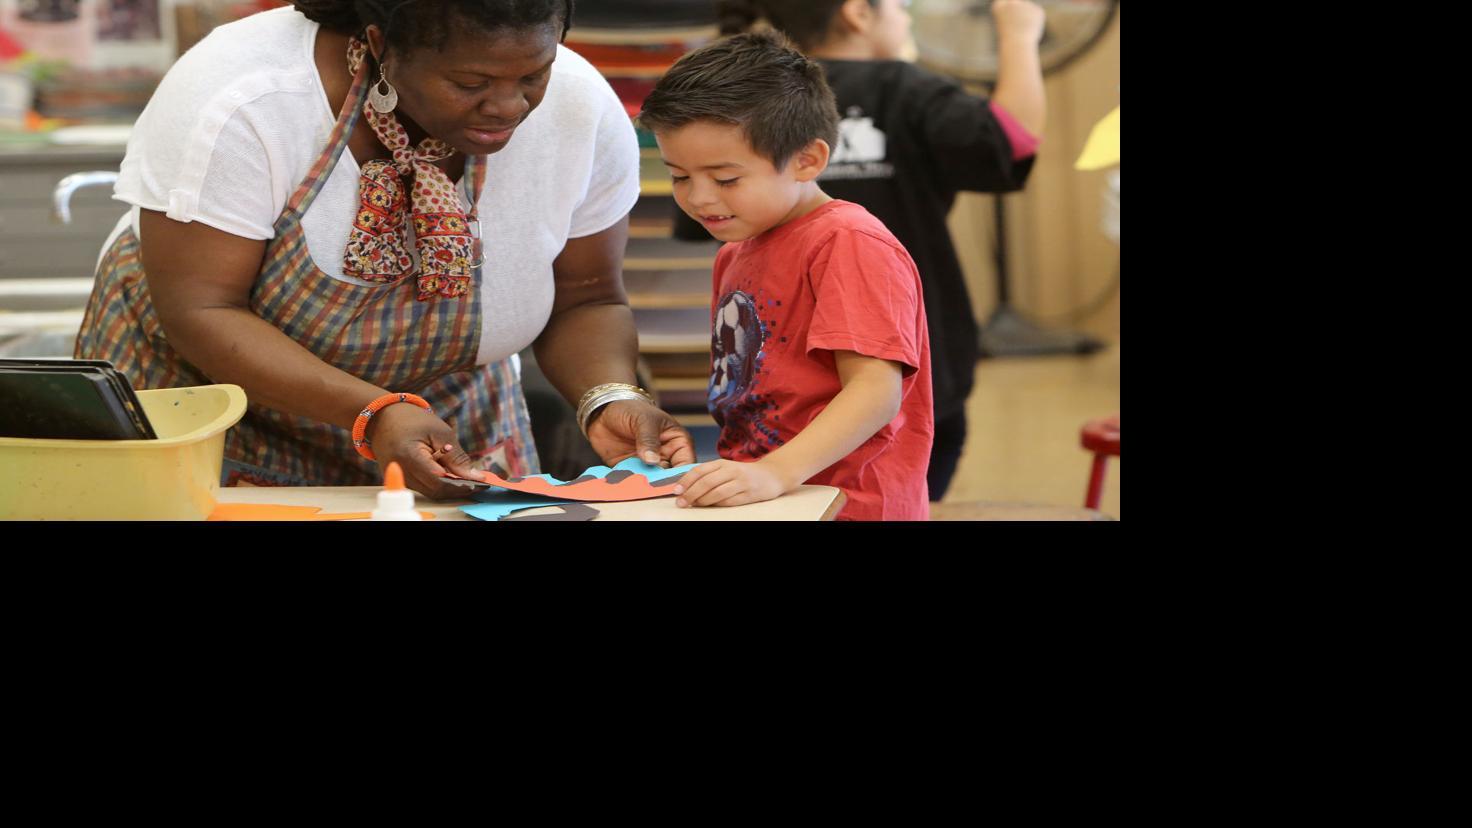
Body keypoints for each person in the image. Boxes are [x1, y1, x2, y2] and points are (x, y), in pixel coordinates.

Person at [75, 0, 694, 498]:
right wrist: (375, 411)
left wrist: (607, 395)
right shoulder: (246, 100)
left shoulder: (579, 110)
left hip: (442, 420)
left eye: (533, 75)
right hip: (213, 413)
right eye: (470, 82)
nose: (509, 105)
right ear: (380, 44)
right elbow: (203, 311)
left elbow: (584, 297)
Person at [713, 0, 1045, 500]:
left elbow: (876, 393)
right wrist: (1019, 35)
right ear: (857, 13)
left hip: (878, 384)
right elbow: (1013, 142)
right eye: (899, 5)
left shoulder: (743, 106)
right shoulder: (907, 87)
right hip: (801, 414)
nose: (701, 195)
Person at [638, 31, 933, 520]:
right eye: (679, 176)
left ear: (807, 160)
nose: (699, 198)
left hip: (846, 505)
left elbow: (875, 393)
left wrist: (775, 471)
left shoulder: (847, 240)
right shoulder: (734, 253)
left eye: (726, 178)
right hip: (773, 501)